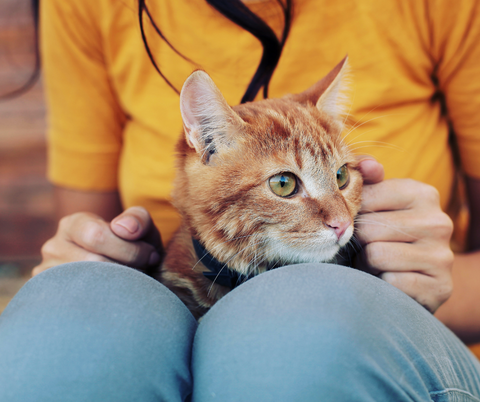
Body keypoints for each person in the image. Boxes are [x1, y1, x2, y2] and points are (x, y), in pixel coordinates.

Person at [1, 0, 480, 399]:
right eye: (287, 184)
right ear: (204, 145)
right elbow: (88, 232)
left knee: (285, 328)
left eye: (341, 176)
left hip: (391, 340)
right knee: (65, 317)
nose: (337, 217)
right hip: (169, 314)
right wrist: (84, 260)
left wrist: (432, 280)